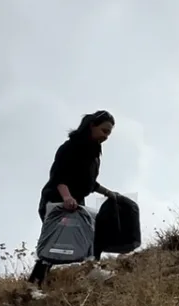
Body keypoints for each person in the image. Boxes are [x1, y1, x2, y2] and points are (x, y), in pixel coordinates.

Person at [28, 111, 118, 287]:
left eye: (109, 133)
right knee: (56, 242)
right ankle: (33, 285)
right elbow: (58, 176)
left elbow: (89, 183)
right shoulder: (71, 147)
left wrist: (110, 193)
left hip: (75, 202)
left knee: (90, 233)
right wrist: (66, 197)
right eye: (104, 131)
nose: (106, 136)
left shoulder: (93, 155)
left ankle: (93, 270)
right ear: (92, 125)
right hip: (57, 201)